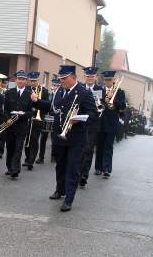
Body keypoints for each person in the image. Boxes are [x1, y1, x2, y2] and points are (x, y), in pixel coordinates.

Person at [31, 65, 97, 212]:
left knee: (72, 168)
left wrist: (79, 120)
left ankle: (69, 199)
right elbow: (51, 107)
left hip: (76, 137)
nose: (61, 82)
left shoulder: (84, 92)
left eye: (64, 79)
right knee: (60, 166)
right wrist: (37, 102)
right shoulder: (60, 91)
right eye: (60, 79)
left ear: (73, 77)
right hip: (59, 135)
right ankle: (59, 190)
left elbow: (93, 115)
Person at [3, 70, 34, 179]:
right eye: (19, 79)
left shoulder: (30, 94)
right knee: (10, 147)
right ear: (16, 80)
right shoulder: (9, 92)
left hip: (22, 125)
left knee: (18, 148)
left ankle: (15, 169)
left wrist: (23, 115)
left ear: (26, 81)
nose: (21, 81)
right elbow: (5, 109)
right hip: (10, 125)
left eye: (23, 79)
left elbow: (32, 111)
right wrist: (7, 119)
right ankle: (9, 167)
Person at [95, 70, 126, 178]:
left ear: (113, 80)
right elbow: (96, 103)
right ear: (104, 80)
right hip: (100, 122)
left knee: (108, 146)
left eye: (110, 80)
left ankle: (106, 169)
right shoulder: (99, 90)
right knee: (99, 146)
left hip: (112, 123)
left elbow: (122, 106)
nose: (108, 82)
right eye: (106, 80)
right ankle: (98, 167)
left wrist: (114, 99)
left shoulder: (120, 92)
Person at [79, 67, 105, 187]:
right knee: (79, 149)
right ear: (85, 77)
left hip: (93, 123)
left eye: (92, 76)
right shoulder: (79, 88)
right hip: (80, 122)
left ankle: (84, 175)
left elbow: (102, 106)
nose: (90, 78)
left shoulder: (100, 90)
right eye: (88, 76)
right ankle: (77, 172)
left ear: (96, 77)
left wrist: (100, 105)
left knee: (88, 150)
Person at [23, 72, 49, 170]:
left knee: (34, 139)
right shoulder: (27, 90)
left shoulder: (44, 91)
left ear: (38, 80)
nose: (33, 83)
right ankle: (27, 158)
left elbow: (47, 105)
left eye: (35, 81)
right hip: (28, 117)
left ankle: (31, 161)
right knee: (27, 139)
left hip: (39, 117)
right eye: (32, 81)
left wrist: (38, 102)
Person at [0, 77, 9, 159]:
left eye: (5, 83)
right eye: (3, 83)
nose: (4, 84)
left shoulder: (8, 92)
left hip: (4, 115)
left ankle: (0, 151)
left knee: (3, 134)